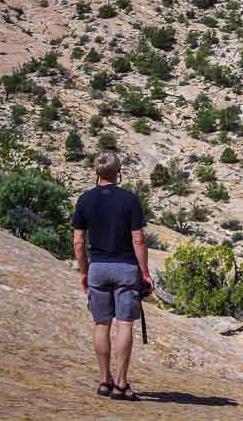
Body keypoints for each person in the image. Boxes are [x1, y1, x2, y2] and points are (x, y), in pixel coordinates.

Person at [72, 150, 152, 401]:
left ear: (96, 172)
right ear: (119, 172)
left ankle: (104, 381)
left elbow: (78, 242)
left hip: (98, 267)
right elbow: (138, 240)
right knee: (125, 324)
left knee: (101, 324)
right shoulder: (130, 200)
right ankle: (121, 383)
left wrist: (84, 271)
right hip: (126, 268)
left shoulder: (84, 200)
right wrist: (146, 273)